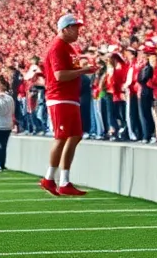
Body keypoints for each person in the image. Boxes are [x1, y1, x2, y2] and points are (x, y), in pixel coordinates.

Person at [39, 14, 93, 197]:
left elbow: (71, 71)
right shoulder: (57, 47)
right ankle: (49, 178)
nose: (78, 31)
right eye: (75, 27)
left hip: (69, 97)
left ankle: (64, 181)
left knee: (75, 136)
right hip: (60, 96)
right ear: (65, 29)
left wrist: (82, 70)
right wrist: (84, 70)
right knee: (62, 137)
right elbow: (60, 75)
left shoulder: (70, 48)